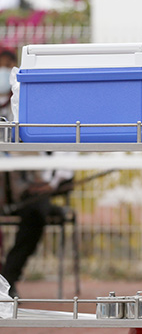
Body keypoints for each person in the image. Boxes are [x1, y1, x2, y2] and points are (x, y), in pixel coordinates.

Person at [0, 48, 72, 299]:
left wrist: (50, 182)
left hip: (28, 189)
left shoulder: (31, 105)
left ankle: (7, 279)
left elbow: (58, 152)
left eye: (8, 66)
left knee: (37, 212)